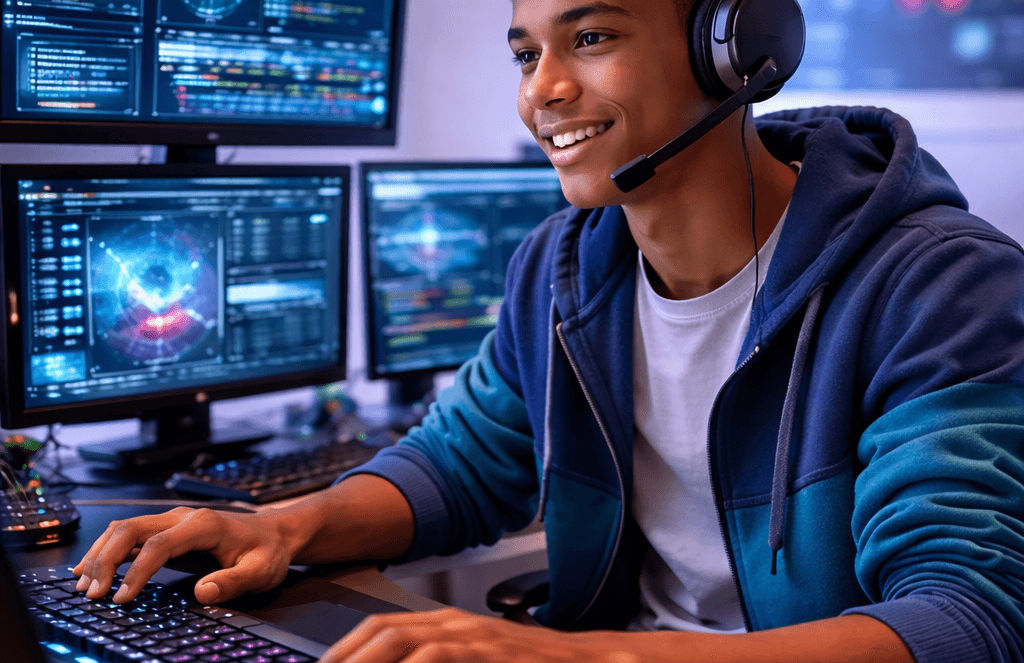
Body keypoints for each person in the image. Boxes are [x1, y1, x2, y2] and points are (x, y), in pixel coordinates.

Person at [72, 0, 1024, 661]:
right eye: (527, 54)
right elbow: (459, 465)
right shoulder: (565, 265)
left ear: (734, 53)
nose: (544, 92)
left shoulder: (936, 283)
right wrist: (280, 525)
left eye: (593, 37)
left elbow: (962, 620)